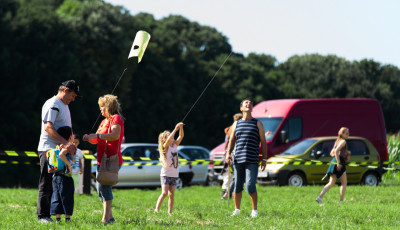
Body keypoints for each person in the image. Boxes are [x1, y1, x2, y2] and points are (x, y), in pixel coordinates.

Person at [36, 80, 80, 223]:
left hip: (59, 149)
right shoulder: (53, 104)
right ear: (66, 90)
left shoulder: (64, 105)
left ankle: (51, 215)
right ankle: (42, 216)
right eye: (73, 95)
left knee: (56, 185)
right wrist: (67, 143)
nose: (73, 99)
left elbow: (67, 127)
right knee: (46, 183)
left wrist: (71, 144)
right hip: (49, 150)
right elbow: (48, 127)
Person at [83, 94, 124, 224]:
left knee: (104, 187)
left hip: (111, 159)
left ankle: (106, 218)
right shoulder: (103, 121)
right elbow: (97, 139)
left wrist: (98, 135)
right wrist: (89, 138)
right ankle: (110, 217)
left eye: (102, 107)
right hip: (102, 159)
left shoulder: (116, 118)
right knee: (101, 187)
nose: (100, 109)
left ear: (108, 107)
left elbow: (115, 135)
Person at [225, 99, 268, 218]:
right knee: (237, 185)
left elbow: (263, 142)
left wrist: (264, 159)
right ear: (241, 108)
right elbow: (232, 140)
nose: (248, 104)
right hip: (238, 159)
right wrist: (228, 154)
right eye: (246, 103)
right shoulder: (236, 124)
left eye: (250, 103)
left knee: (250, 185)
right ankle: (237, 210)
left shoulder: (257, 123)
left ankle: (255, 211)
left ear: (252, 108)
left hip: (252, 160)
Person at [155, 122, 184, 214]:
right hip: (165, 174)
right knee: (164, 193)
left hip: (174, 174)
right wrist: (175, 129)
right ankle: (156, 210)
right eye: (168, 135)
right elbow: (168, 141)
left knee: (171, 195)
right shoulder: (165, 146)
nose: (172, 137)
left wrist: (181, 128)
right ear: (164, 139)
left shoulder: (174, 145)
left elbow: (181, 136)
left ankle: (170, 212)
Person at [316, 127, 351, 203]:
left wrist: (342, 155)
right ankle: (341, 200)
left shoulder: (337, 141)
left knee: (331, 183)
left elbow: (332, 153)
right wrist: (339, 162)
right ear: (342, 134)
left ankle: (319, 197)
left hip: (333, 162)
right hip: (339, 162)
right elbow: (336, 152)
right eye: (346, 133)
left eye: (348, 133)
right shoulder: (343, 141)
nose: (348, 134)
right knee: (344, 182)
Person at [50, 126, 76, 223]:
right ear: (70, 136)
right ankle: (67, 219)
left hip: (56, 176)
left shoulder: (58, 145)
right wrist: (69, 165)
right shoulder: (68, 146)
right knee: (67, 197)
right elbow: (61, 154)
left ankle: (58, 219)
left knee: (57, 197)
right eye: (72, 134)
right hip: (65, 177)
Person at [221, 113, 242, 199]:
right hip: (233, 155)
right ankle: (227, 194)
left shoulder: (229, 129)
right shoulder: (235, 129)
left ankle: (227, 194)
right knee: (234, 176)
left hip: (228, 154)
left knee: (229, 176)